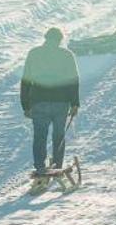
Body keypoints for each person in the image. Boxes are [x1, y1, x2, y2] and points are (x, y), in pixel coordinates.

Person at [20, 27, 81, 174]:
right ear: (60, 40)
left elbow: (26, 81)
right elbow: (73, 80)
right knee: (59, 135)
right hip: (61, 103)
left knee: (40, 135)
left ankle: (40, 167)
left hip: (39, 101)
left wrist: (26, 106)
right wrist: (75, 103)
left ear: (45, 38)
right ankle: (57, 165)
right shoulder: (67, 55)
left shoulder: (34, 54)